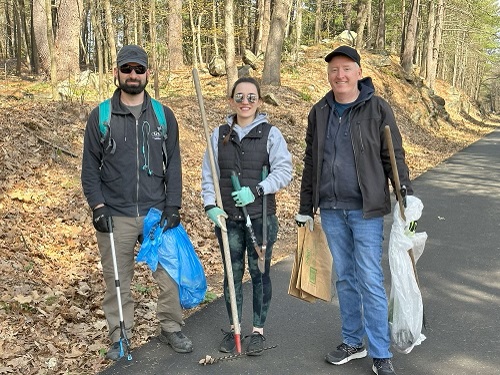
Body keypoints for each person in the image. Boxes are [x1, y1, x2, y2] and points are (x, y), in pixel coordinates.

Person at [295, 45, 414, 375]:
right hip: (331, 209)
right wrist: (306, 207)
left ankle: (380, 351)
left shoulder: (377, 108)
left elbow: (394, 155)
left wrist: (406, 194)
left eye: (346, 68)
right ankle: (353, 341)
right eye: (334, 69)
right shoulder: (319, 111)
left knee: (370, 279)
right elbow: (310, 161)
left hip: (366, 209)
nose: (340, 75)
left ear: (358, 73)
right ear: (328, 74)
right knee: (345, 278)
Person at [81, 45, 192, 360]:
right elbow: (90, 169)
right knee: (118, 281)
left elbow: (174, 165)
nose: (132, 75)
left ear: (147, 74)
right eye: (126, 69)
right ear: (115, 72)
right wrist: (98, 207)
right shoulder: (101, 116)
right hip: (115, 215)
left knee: (169, 274)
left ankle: (171, 327)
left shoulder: (163, 116)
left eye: (138, 69)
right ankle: (120, 338)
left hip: (157, 213)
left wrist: (174, 207)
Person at [201, 77, 293, 355]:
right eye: (239, 97)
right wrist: (210, 205)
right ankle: (235, 328)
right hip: (228, 220)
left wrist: (257, 190)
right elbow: (209, 176)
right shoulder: (218, 135)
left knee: (259, 274)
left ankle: (258, 331)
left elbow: (284, 172)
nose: (245, 102)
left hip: (261, 218)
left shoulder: (271, 134)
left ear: (259, 101)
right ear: (231, 101)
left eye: (251, 97)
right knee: (232, 274)